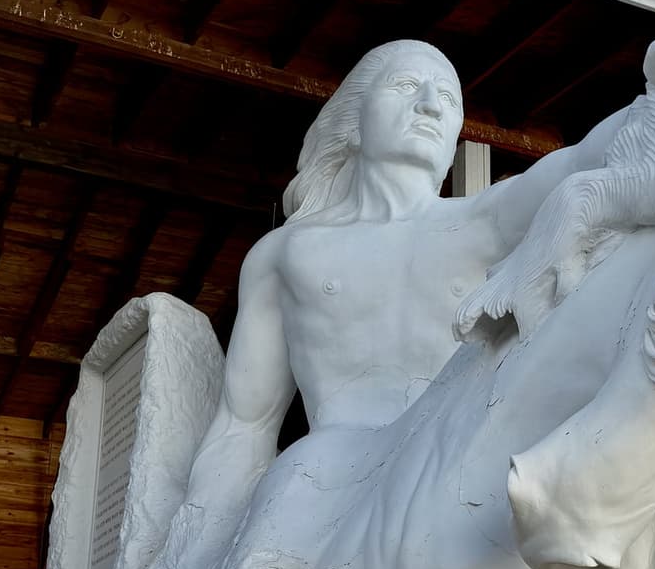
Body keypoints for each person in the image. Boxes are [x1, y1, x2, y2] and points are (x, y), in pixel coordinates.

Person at [184, 38, 632, 517]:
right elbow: (244, 425)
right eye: (406, 86)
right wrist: (197, 538)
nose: (430, 106)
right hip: (326, 486)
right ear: (355, 121)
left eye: (448, 98)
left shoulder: (487, 223)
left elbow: (587, 158)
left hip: (457, 484)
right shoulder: (286, 253)